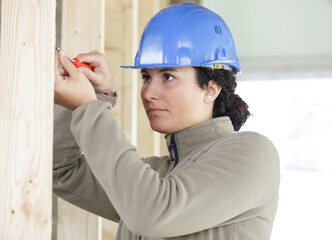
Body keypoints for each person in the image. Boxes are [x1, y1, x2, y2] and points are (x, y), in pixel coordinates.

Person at [53, 3, 280, 240]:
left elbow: (152, 212)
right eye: (146, 77)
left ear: (210, 89)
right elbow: (60, 171)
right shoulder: (155, 176)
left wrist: (89, 107)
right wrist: (95, 94)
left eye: (168, 76)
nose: (149, 92)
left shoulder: (252, 154)